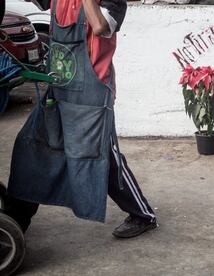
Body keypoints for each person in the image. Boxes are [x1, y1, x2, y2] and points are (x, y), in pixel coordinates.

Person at [6, 0, 157, 239]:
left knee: (99, 157)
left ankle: (143, 214)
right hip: (59, 90)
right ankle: (14, 222)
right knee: (33, 149)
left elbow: (99, 26)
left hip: (91, 96)